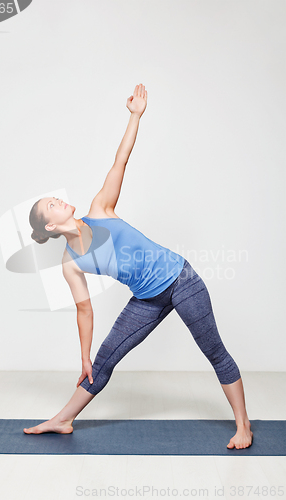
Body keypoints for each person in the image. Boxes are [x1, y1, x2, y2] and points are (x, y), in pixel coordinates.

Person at [26, 84, 253, 450]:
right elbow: (84, 310)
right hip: (146, 299)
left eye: (54, 198)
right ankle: (62, 419)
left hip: (181, 279)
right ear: (50, 227)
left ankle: (243, 426)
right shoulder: (72, 263)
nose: (57, 200)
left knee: (214, 351)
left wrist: (134, 116)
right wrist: (82, 355)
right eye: (50, 206)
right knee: (102, 361)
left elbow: (120, 160)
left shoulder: (100, 208)